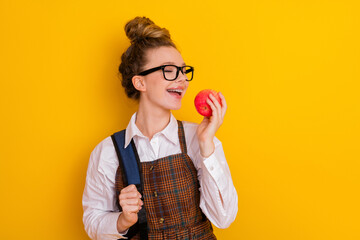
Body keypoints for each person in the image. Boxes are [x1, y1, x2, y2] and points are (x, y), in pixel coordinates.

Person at [82, 16, 238, 240]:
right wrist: (123, 220)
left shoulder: (200, 138)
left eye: (183, 71)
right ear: (140, 82)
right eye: (170, 70)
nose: (182, 80)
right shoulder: (107, 152)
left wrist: (206, 146)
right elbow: (93, 222)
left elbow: (224, 218)